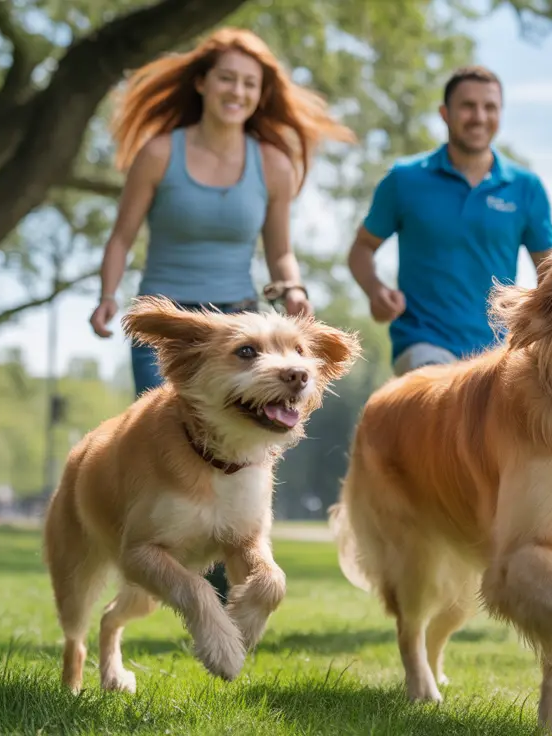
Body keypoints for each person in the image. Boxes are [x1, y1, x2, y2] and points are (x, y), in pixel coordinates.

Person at [88, 27, 355, 599]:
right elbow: (121, 236)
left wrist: (292, 288)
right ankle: (176, 570)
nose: (237, 91)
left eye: (250, 84)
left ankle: (227, 577)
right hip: (171, 324)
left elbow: (279, 248)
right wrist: (109, 295)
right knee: (171, 442)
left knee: (238, 450)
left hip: (240, 323)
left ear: (261, 95)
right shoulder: (161, 152)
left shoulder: (273, 165)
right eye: (228, 78)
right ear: (204, 83)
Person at [347, 65, 552, 375]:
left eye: (490, 107)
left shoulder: (526, 188)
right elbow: (361, 249)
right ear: (445, 113)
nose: (479, 116)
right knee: (439, 401)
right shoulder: (405, 179)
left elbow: (550, 271)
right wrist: (375, 290)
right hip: (422, 342)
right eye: (468, 106)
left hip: (498, 352)